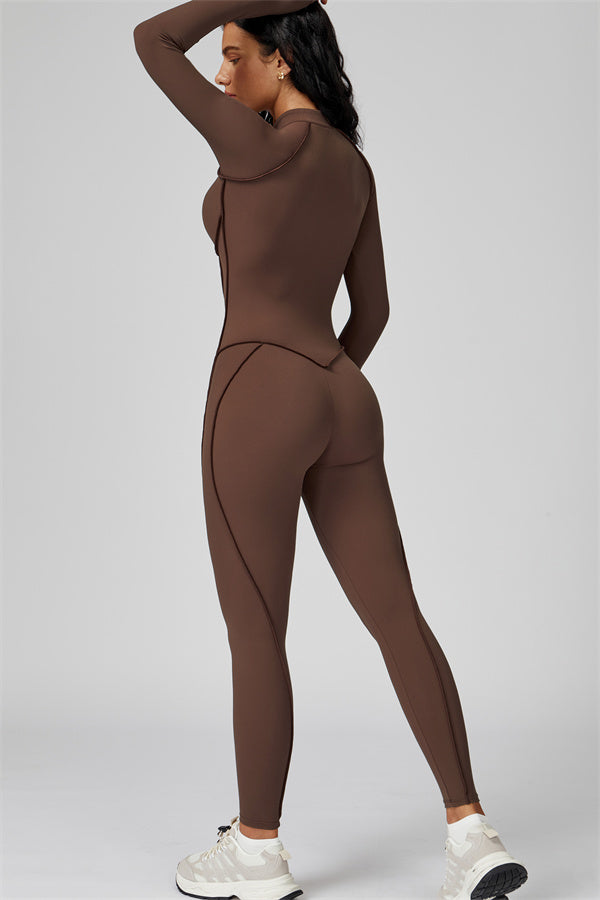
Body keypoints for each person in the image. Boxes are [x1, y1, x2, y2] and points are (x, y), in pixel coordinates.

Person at [133, 2, 529, 898]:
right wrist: (320, 381)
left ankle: (257, 850)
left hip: (255, 390)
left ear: (281, 59)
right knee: (398, 615)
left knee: (256, 629)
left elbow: (150, 41)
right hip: (342, 392)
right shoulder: (352, 165)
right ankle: (471, 834)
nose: (222, 74)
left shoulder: (252, 144)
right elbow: (373, 310)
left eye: (236, 55)